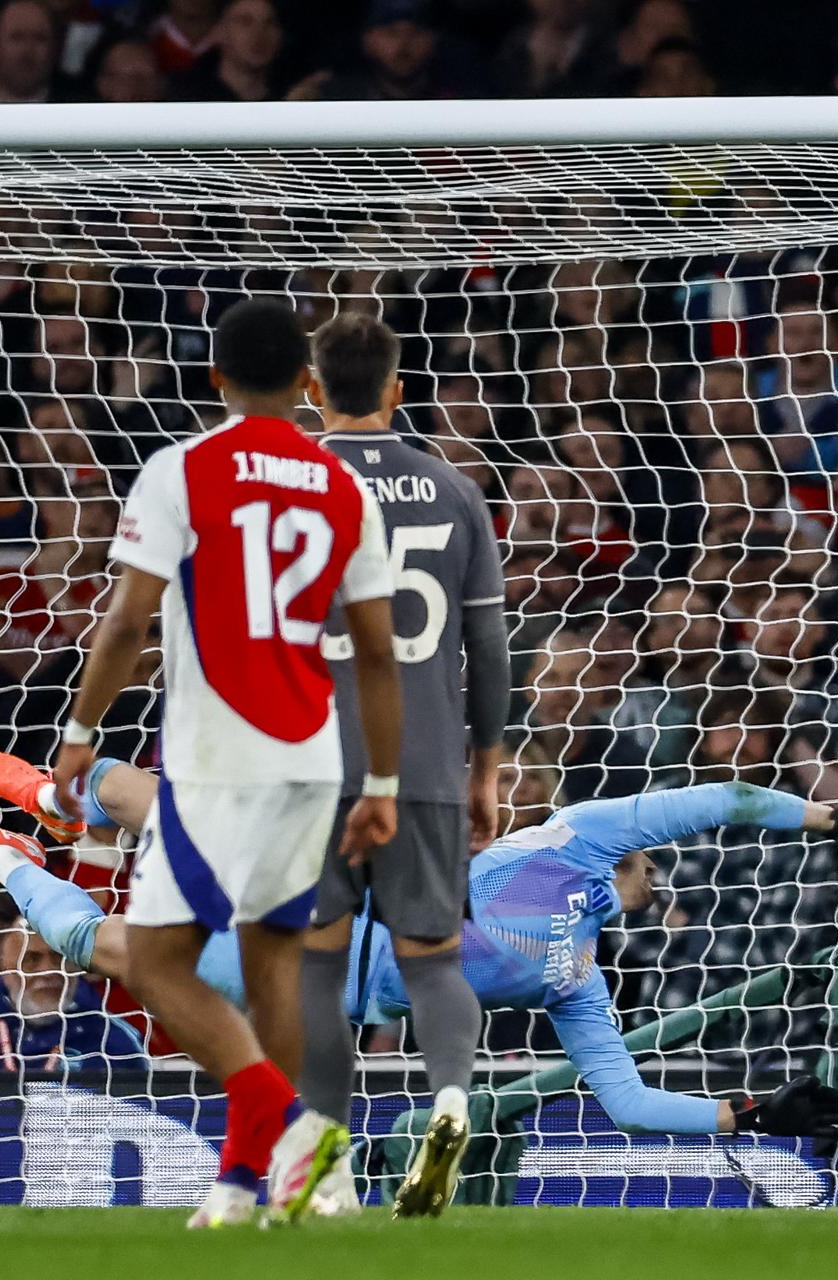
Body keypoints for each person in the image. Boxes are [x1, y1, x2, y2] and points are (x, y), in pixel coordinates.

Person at [0, 762, 838, 1179]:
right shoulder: (581, 838)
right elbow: (722, 797)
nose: (653, 875)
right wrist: (836, 819)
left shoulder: (578, 978)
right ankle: (63, 797)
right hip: (324, 888)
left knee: (105, 949)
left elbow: (622, 1101)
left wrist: (758, 1111)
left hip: (304, 973)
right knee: (168, 804)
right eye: (648, 866)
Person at [46, 299, 403, 1229]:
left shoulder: (183, 469)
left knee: (157, 964)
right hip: (312, 758)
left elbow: (127, 619)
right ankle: (244, 1187)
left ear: (215, 378)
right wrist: (384, 786)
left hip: (215, 759)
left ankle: (297, 1135)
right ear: (308, 385)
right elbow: (375, 649)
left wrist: (84, 729)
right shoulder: (340, 488)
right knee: (273, 970)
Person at [296, 313, 509, 1218]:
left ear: (314, 391)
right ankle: (452, 1102)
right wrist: (487, 767)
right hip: (420, 757)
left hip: (305, 760)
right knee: (431, 961)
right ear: (397, 390)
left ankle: (326, 1163)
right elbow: (489, 643)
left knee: (313, 966)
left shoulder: (292, 484)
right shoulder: (455, 487)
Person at [0, 920, 146, 1068]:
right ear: (6, 969)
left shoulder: (113, 1037)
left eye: (58, 958)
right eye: (32, 960)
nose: (48, 971)